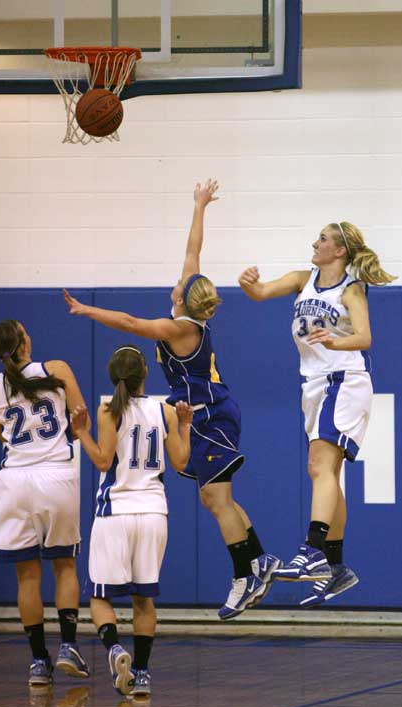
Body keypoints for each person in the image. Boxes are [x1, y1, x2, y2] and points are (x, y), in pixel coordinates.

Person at [64, 180, 280, 621]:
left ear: (182, 296)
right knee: (212, 498)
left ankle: (245, 576)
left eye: (179, 283)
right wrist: (199, 206)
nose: (176, 281)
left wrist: (88, 311)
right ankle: (259, 560)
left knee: (217, 500)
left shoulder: (179, 327)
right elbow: (193, 251)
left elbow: (127, 321)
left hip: (211, 414)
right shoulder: (189, 311)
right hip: (203, 414)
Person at [239, 221, 396, 606]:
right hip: (315, 384)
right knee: (328, 473)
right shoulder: (301, 279)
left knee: (318, 466)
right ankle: (337, 566)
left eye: (322, 239)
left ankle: (313, 551)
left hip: (344, 379)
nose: (315, 242)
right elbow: (260, 293)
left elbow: (365, 337)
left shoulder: (351, 289)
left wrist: (335, 339)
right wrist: (248, 282)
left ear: (339, 250)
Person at [71, 345, 192, 696]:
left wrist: (81, 433)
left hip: (116, 512)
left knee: (99, 597)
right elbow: (182, 462)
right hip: (154, 512)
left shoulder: (109, 409)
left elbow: (103, 461)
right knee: (144, 599)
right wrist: (184, 426)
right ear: (145, 374)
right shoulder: (165, 410)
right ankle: (141, 673)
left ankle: (114, 649)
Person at [0, 320, 90, 686]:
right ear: (24, 341)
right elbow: (80, 423)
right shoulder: (56, 370)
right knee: (64, 565)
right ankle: (69, 646)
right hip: (55, 474)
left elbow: (0, 433)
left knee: (26, 575)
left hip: (14, 479)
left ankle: (38, 663)